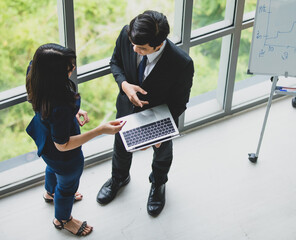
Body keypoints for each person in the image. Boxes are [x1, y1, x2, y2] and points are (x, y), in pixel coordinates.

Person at [96, 10, 194, 216]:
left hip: (160, 117)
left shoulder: (181, 63)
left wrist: (158, 134)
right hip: (125, 109)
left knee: (162, 154)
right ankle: (119, 177)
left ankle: (158, 184)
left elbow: (179, 103)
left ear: (158, 44)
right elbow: (115, 63)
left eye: (141, 48)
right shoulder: (127, 34)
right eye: (133, 44)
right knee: (120, 147)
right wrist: (124, 85)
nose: (134, 49)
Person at [26, 43, 125, 236]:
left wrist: (74, 109)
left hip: (43, 136)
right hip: (63, 153)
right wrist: (99, 130)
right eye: (68, 68)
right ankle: (62, 219)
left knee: (52, 167)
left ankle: (50, 193)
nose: (72, 69)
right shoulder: (59, 106)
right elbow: (63, 145)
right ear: (55, 76)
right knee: (68, 185)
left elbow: (53, 112)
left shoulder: (35, 72)